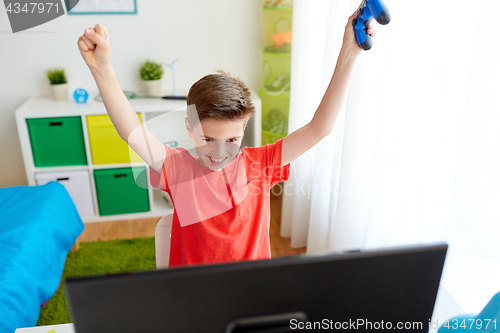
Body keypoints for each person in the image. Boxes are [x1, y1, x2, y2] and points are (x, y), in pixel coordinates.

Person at [77, 11, 376, 268]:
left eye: (232, 139)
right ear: (189, 127)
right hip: (195, 301)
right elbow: (130, 129)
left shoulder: (261, 164)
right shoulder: (178, 168)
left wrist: (349, 52)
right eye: (207, 138)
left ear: (244, 131)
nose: (219, 151)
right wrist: (101, 68)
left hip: (251, 297)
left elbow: (320, 128)